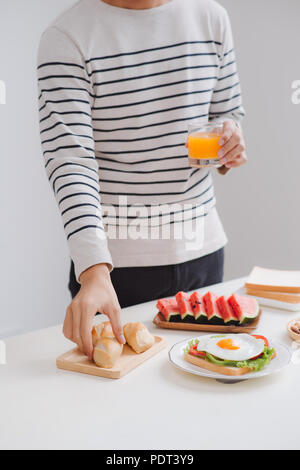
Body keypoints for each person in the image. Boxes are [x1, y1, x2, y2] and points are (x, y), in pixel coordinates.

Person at [37, 0, 247, 360]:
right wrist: (92, 271)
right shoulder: (66, 37)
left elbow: (225, 114)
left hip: (203, 253)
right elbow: (71, 161)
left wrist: (230, 143)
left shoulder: (212, 18)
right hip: (115, 268)